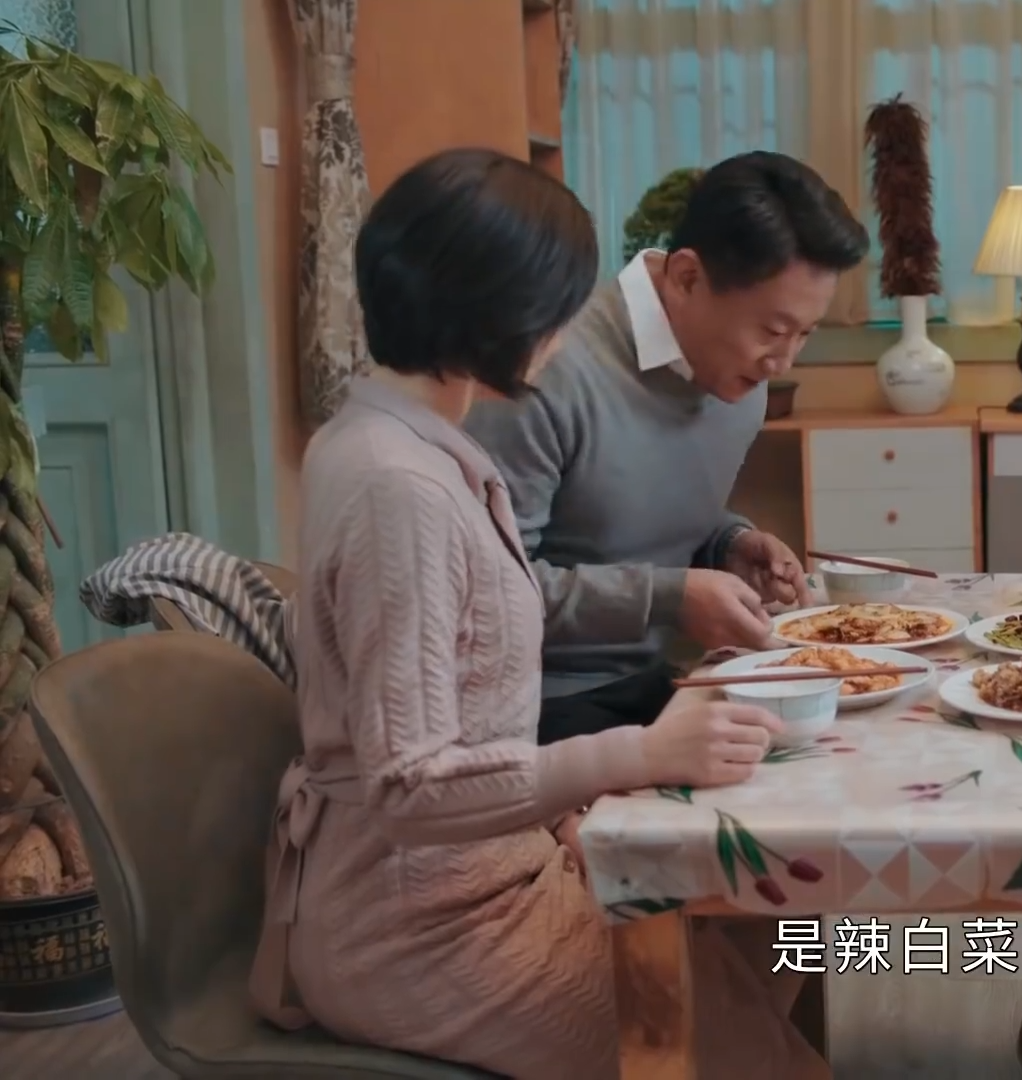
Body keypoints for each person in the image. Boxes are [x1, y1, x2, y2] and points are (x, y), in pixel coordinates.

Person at [248, 147, 829, 1080]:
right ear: (504, 315)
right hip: (420, 924)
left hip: (486, 869)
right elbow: (411, 787)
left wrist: (558, 813)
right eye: (561, 306)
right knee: (752, 1052)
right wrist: (637, 756)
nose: (573, 327)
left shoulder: (396, 440)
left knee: (751, 959)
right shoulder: (401, 485)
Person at [465, 151, 870, 745]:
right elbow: (484, 594)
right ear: (686, 279)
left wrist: (726, 542)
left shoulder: (744, 382)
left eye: (804, 334)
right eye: (772, 330)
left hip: (666, 679)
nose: (782, 362)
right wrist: (670, 598)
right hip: (539, 708)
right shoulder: (548, 369)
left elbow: (625, 515)